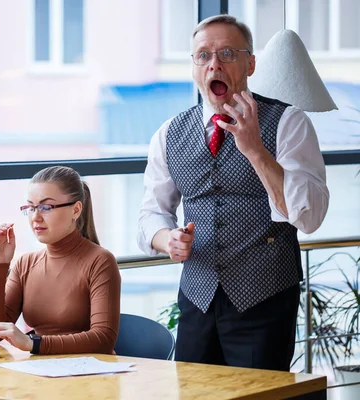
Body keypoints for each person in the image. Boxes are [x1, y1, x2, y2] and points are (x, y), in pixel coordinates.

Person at [137, 15, 329, 371]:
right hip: (197, 299)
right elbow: (151, 214)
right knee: (194, 396)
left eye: (227, 53)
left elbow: (311, 217)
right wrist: (168, 240)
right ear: (194, 67)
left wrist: (256, 150)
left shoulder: (289, 123)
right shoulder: (168, 134)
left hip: (265, 300)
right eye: (203, 55)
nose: (214, 64)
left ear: (250, 63)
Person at [0, 166, 121, 355]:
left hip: (90, 377)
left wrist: (34, 343)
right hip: (40, 373)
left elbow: (103, 339)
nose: (36, 217)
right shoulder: (26, 264)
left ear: (76, 210)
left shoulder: (100, 261)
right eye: (31, 208)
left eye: (46, 207)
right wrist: (0, 263)